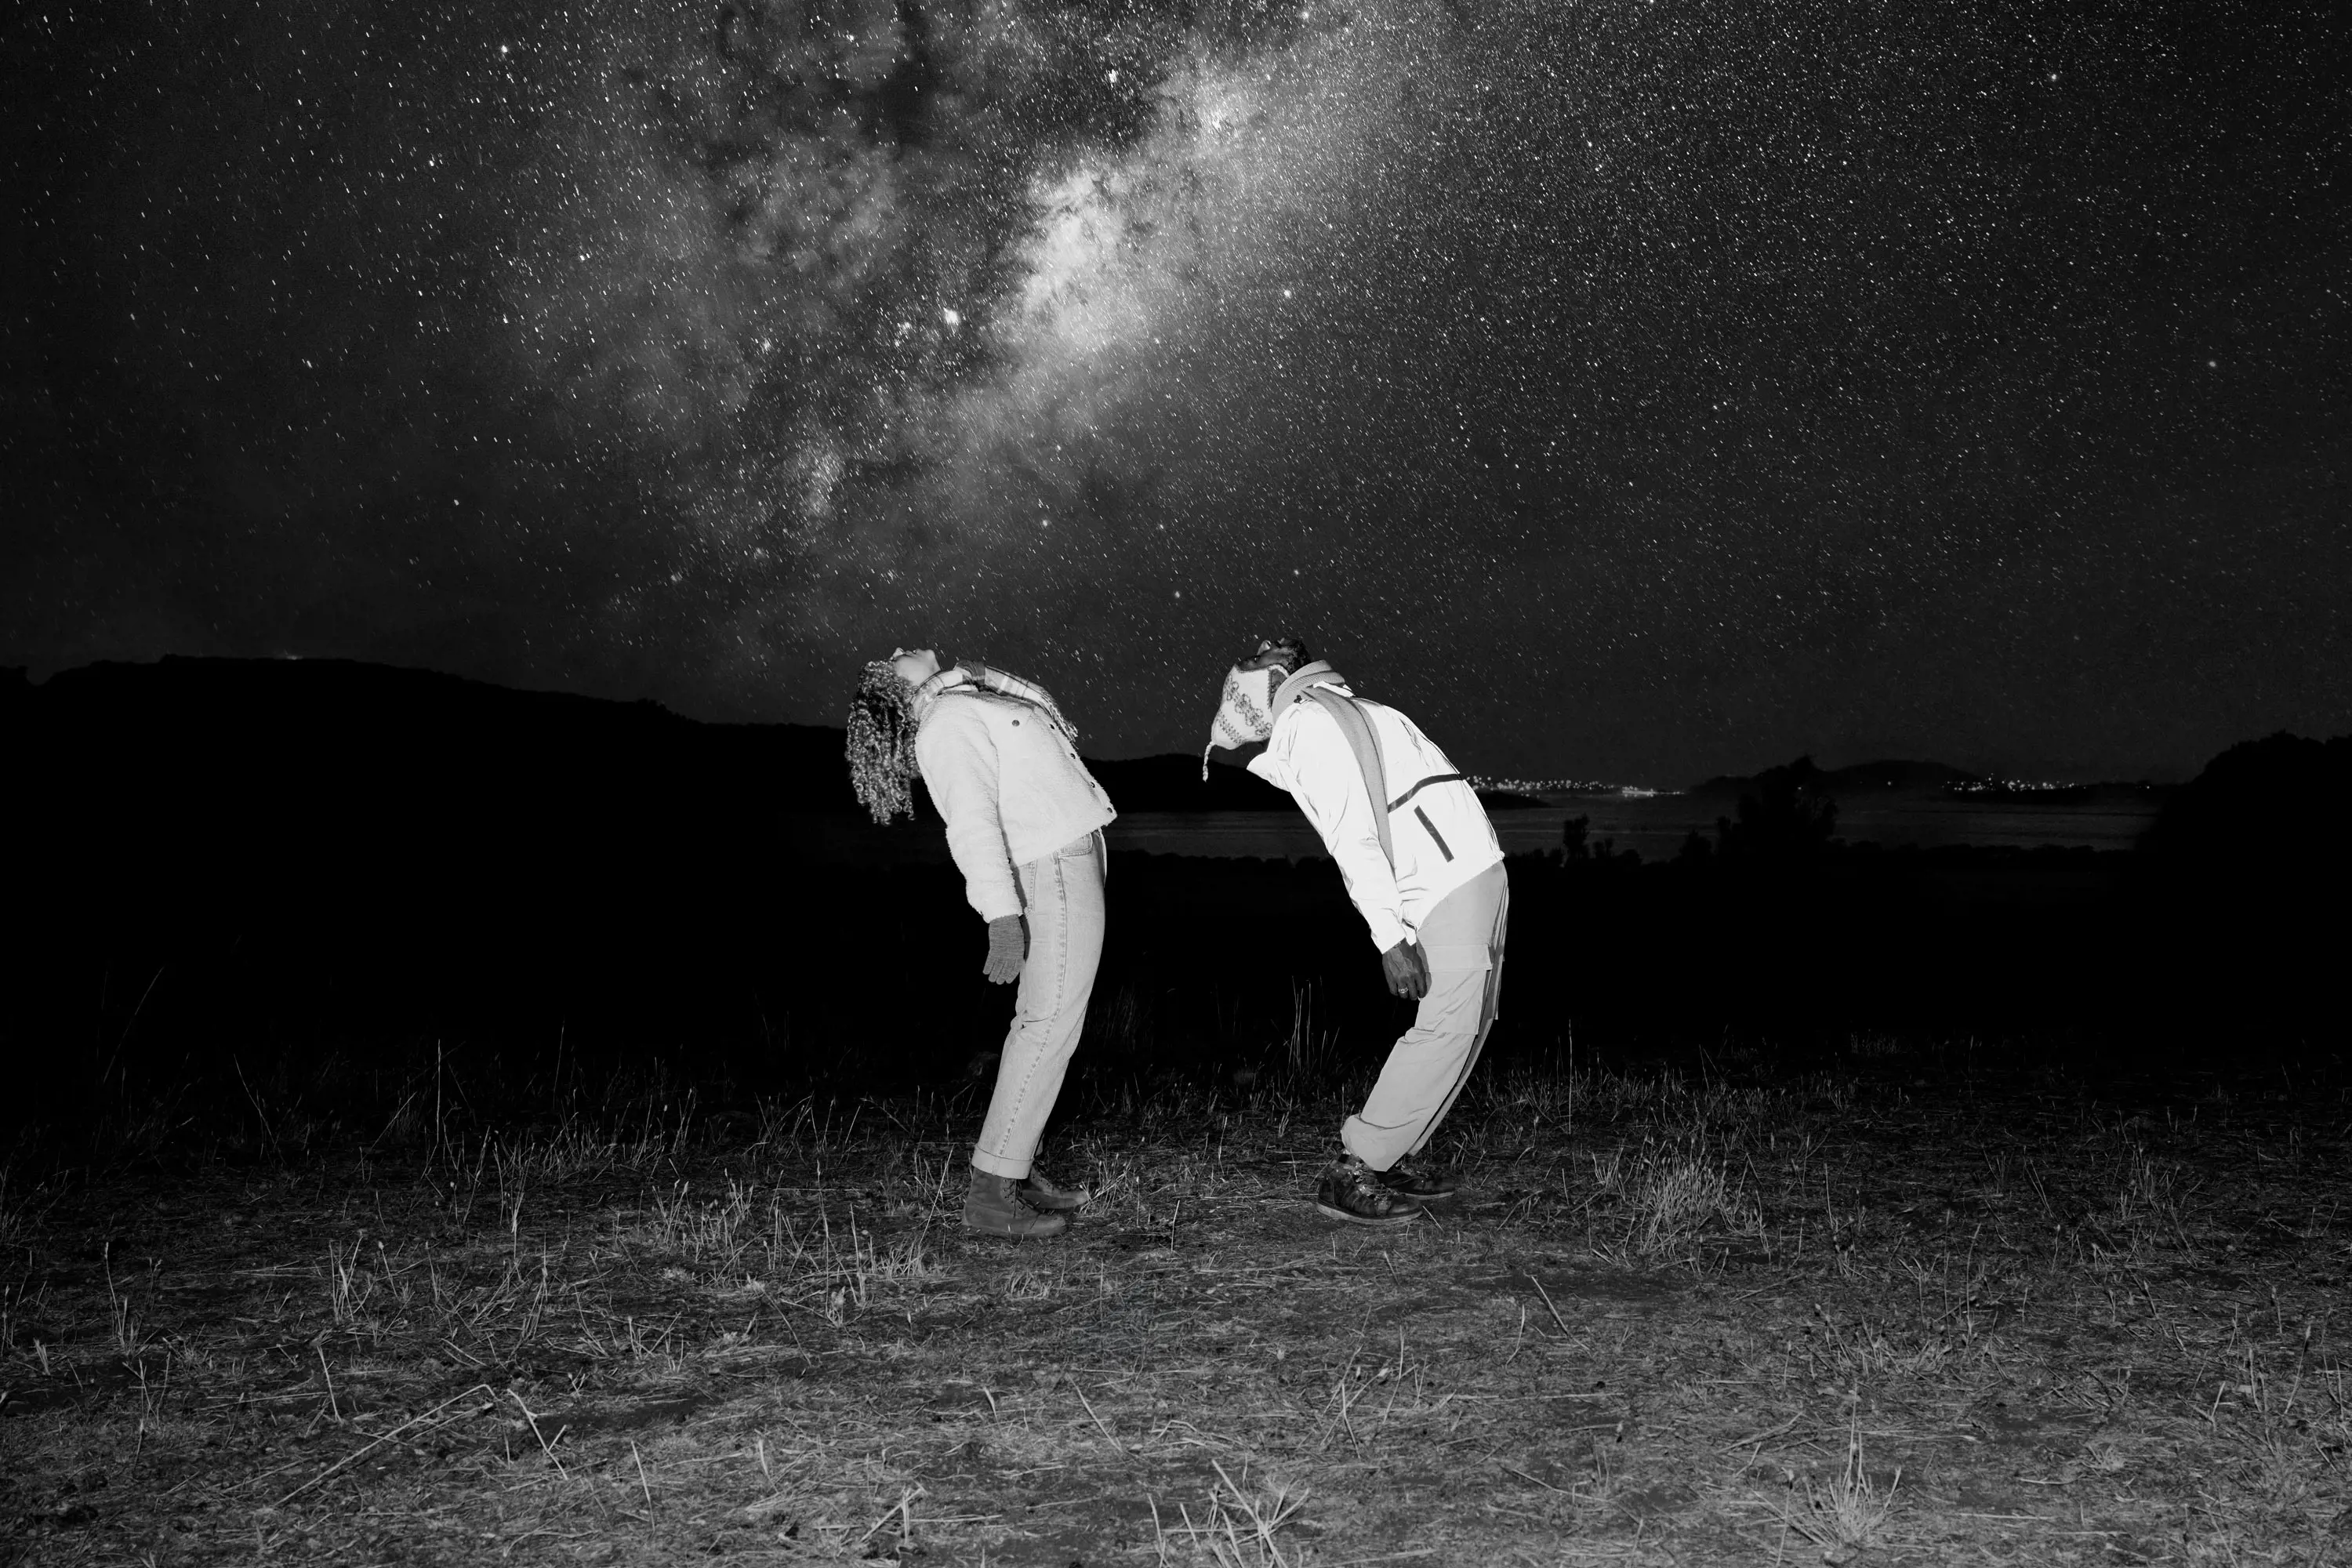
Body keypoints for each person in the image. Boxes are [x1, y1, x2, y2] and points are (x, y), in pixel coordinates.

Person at [1203, 637, 1508, 1226]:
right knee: (1446, 1026)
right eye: (1256, 655)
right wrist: (1389, 937)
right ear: (1272, 681)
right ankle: (1356, 1166)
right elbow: (1352, 837)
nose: (1265, 644)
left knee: (1467, 1026)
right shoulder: (1310, 723)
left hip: (1467, 874)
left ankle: (1392, 1156)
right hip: (1441, 883)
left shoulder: (1337, 708)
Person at [847, 648, 1116, 1238]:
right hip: (1049, 866)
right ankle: (993, 1193)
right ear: (897, 694)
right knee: (1048, 1023)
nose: (897, 651)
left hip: (1065, 856)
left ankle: (1015, 1169)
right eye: (890, 663)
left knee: (1052, 1023)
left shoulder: (963, 700)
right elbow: (971, 823)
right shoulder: (945, 721)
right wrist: (1002, 917)